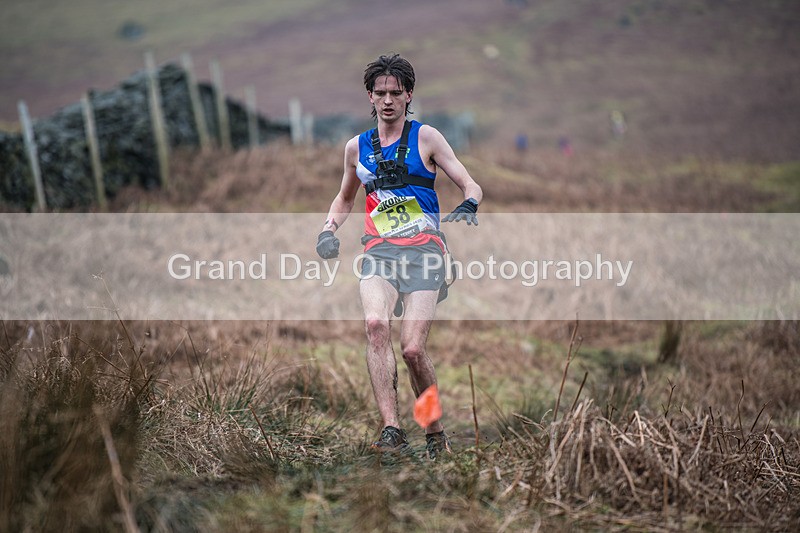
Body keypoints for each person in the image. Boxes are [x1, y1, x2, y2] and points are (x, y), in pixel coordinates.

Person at [316, 53, 482, 460]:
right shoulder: (356, 148)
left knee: (411, 350)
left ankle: (433, 429)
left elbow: (469, 182)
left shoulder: (427, 138)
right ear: (370, 97)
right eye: (380, 93)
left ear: (409, 95)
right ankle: (391, 427)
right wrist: (327, 230)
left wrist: (469, 204)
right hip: (379, 252)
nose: (388, 100)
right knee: (375, 326)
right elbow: (343, 198)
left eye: (396, 93)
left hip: (426, 253)